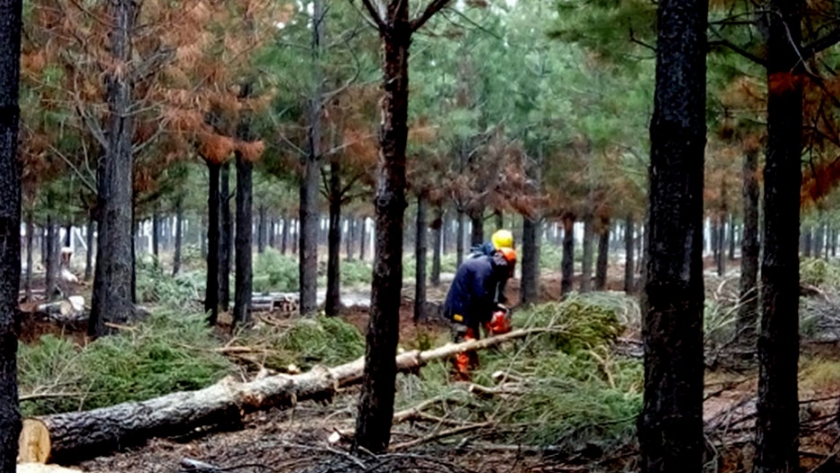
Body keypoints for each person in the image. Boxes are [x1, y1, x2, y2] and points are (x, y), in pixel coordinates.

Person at [443, 247, 517, 380]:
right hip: (461, 311)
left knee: (472, 344)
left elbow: (485, 296)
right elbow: (480, 296)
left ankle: (474, 376)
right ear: (504, 265)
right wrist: (490, 317)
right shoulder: (484, 270)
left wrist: (494, 306)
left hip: (468, 309)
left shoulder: (488, 267)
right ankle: (459, 383)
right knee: (464, 346)